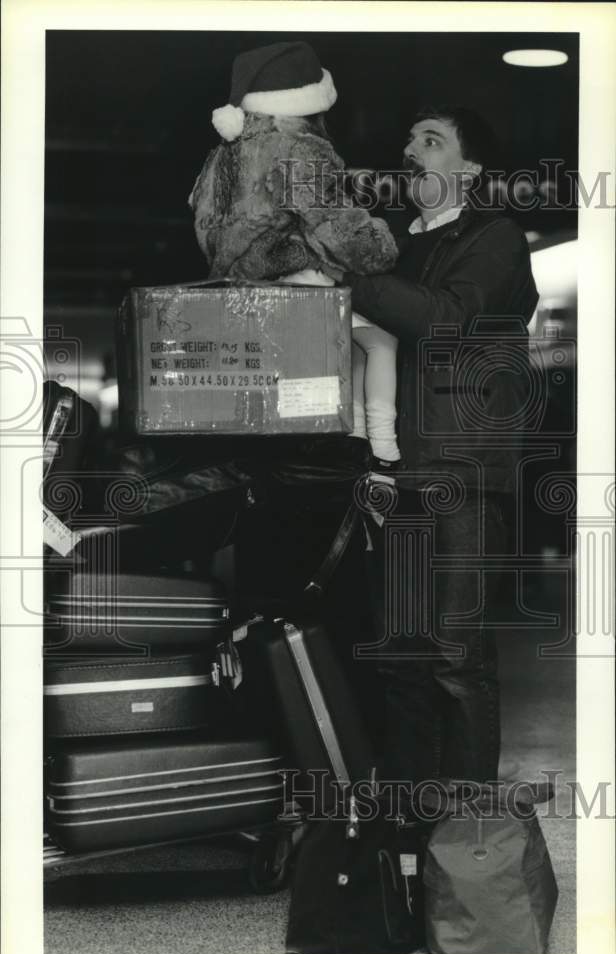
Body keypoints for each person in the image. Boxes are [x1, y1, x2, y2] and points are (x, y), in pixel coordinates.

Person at [342, 106, 539, 784]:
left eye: (433, 141)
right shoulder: (397, 246)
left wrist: (351, 276)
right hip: (393, 474)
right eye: (410, 138)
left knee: (457, 660)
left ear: (470, 169)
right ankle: (407, 826)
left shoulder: (495, 238)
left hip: (460, 472)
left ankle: (469, 841)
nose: (412, 150)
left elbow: (446, 320)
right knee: (401, 660)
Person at [188, 41, 401, 469]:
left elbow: (204, 223)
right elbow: (338, 228)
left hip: (241, 298)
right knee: (382, 340)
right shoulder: (300, 147)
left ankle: (357, 432)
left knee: (357, 341)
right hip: (296, 290)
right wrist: (380, 241)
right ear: (312, 101)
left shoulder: (219, 156)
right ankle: (381, 444)